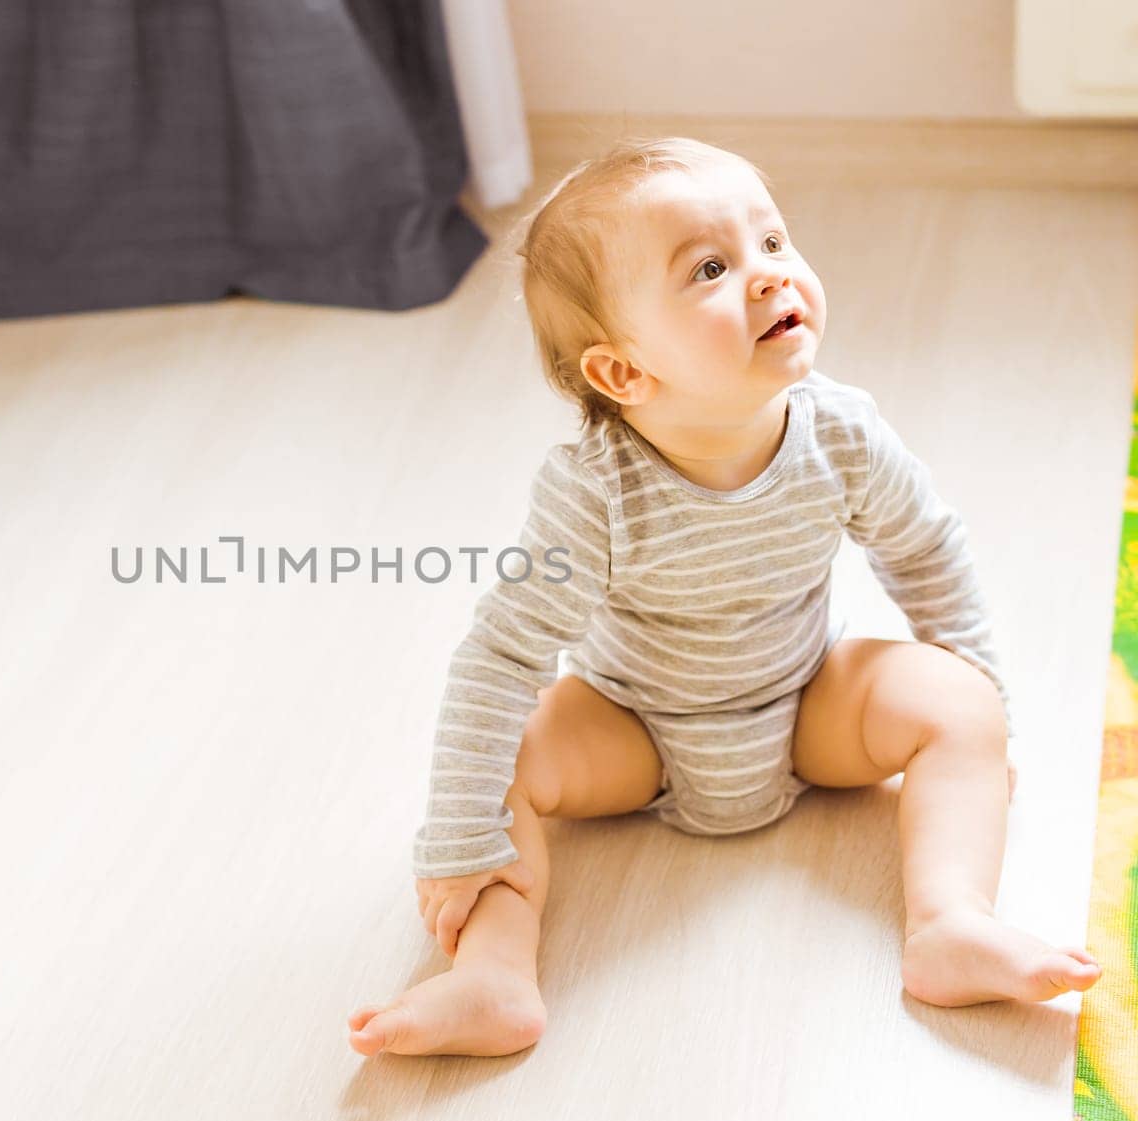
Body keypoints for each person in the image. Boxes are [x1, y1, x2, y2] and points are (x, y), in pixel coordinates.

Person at [347, 136, 1103, 1058]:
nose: (766, 276)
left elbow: (925, 549)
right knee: (510, 752)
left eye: (774, 243)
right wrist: (461, 831)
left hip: (808, 703)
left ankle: (948, 920)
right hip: (634, 728)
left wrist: (984, 713)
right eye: (711, 267)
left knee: (958, 696)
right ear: (623, 372)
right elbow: (503, 655)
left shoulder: (843, 433)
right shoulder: (594, 491)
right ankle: (493, 976)